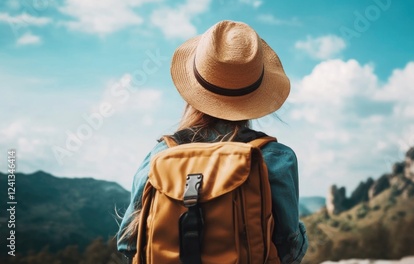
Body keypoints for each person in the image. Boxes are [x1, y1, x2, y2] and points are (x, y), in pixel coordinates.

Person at [117, 20, 308, 263]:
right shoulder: (276, 157)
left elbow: (128, 243)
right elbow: (290, 249)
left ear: (194, 89)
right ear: (255, 94)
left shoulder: (161, 153)